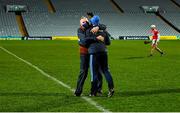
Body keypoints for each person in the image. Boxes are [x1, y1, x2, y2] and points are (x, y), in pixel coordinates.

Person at [80, 15, 114, 97]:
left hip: (94, 53)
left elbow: (84, 41)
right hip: (104, 52)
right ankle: (111, 88)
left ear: (91, 22)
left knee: (94, 73)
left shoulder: (88, 30)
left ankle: (93, 92)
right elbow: (108, 43)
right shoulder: (103, 30)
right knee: (106, 71)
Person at [74, 17, 106, 96]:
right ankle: (78, 91)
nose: (84, 23)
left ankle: (98, 90)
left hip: (94, 52)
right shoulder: (80, 30)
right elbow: (84, 41)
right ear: (80, 24)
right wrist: (96, 38)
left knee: (98, 71)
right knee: (83, 72)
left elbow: (104, 26)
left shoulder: (93, 27)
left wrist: (98, 27)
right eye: (83, 22)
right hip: (84, 53)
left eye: (86, 21)